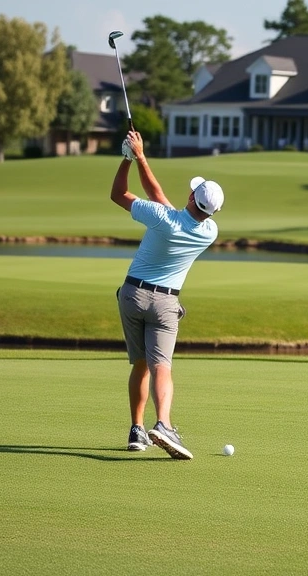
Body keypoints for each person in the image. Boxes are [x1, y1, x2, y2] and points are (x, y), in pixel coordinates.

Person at [110, 131, 224, 459]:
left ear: (191, 199)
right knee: (162, 366)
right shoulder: (209, 231)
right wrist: (141, 157)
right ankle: (163, 424)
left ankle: (136, 429)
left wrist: (129, 158)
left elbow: (118, 194)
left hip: (131, 295)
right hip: (165, 304)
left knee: (141, 364)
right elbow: (159, 195)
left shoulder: (162, 218)